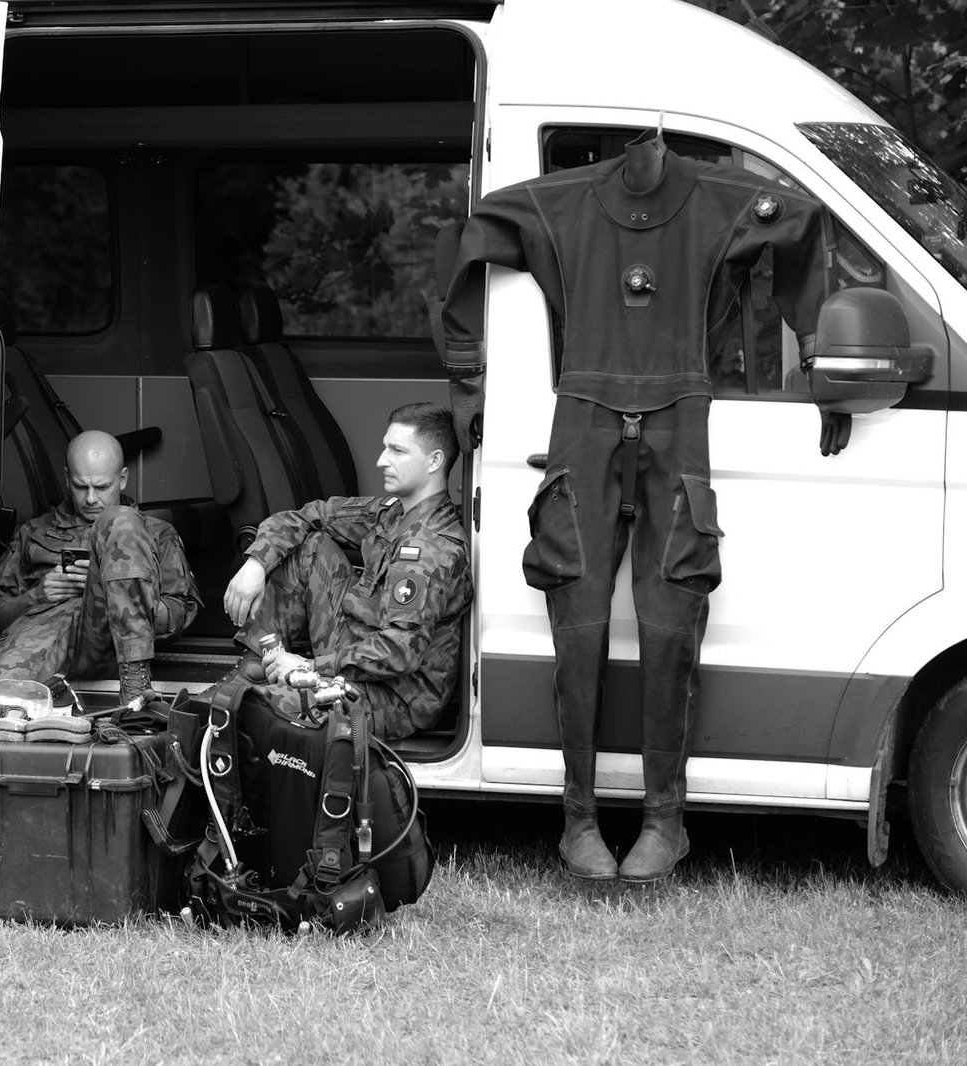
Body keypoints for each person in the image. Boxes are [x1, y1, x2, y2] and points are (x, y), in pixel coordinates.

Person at [440, 129, 829, 882]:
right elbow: (472, 231)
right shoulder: (560, 202)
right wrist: (466, 373)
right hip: (581, 417)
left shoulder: (720, 198)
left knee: (671, 622)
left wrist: (816, 349)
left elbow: (804, 221)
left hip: (682, 416)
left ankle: (665, 822)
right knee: (577, 624)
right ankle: (576, 820)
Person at [222, 402, 472, 740]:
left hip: (394, 696)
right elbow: (311, 515)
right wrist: (255, 564)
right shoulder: (393, 514)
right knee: (308, 549)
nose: (382, 460)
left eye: (397, 451)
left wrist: (309, 666)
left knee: (252, 713)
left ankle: (262, 688)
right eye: (386, 448)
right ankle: (257, 668)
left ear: (434, 461)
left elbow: (398, 653)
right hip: (358, 647)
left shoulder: (430, 550)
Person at [0, 430, 201, 705]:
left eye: (101, 487)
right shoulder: (34, 532)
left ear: (122, 479)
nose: (91, 499)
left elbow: (180, 614)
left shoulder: (155, 533)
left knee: (121, 520)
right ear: (66, 479)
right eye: (80, 486)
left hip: (117, 642)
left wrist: (118, 591)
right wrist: (35, 596)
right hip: (45, 635)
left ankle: (135, 681)